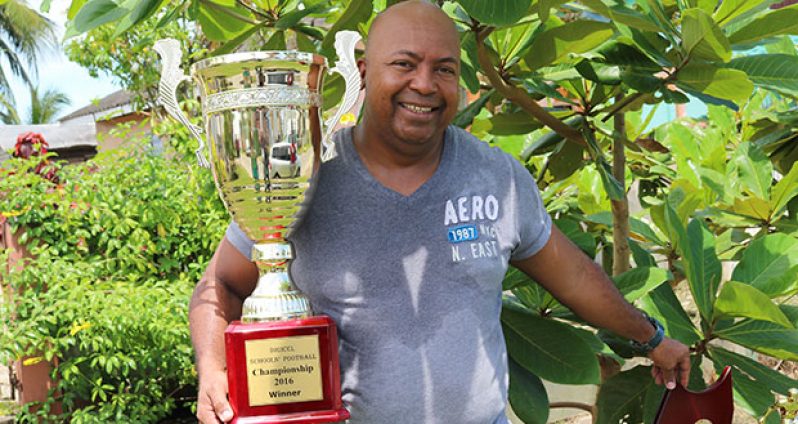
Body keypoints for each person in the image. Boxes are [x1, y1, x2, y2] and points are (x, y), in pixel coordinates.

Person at [190, 1, 692, 423]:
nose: (425, 85)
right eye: (404, 65)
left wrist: (651, 337)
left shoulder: (497, 177)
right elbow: (221, 284)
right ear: (363, 72)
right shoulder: (301, 177)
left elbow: (576, 278)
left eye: (444, 69)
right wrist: (213, 370)